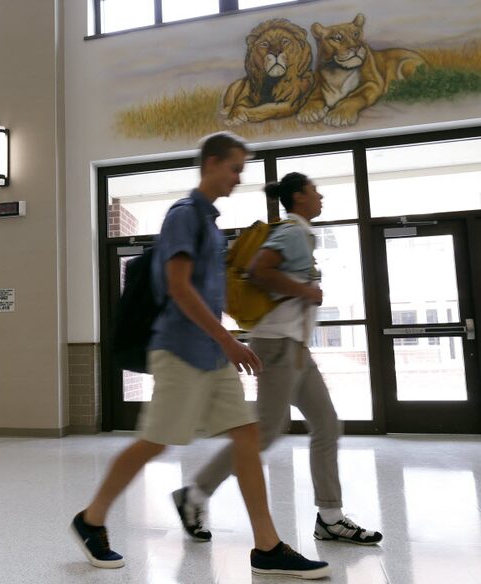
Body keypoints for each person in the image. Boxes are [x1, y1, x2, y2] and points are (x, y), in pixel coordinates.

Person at [70, 133, 330, 579]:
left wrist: (227, 338)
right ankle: (91, 519)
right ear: (210, 164)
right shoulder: (185, 216)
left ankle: (267, 546)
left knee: (247, 437)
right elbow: (178, 287)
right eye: (234, 168)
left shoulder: (209, 224)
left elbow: (210, 295)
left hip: (211, 352)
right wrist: (229, 340)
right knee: (153, 442)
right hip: (181, 351)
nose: (237, 178)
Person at [179, 172, 382, 545]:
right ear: (299, 197)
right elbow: (259, 270)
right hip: (276, 345)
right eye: (315, 191)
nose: (321, 197)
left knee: (326, 423)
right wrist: (307, 290)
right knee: (265, 432)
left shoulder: (300, 232)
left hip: (294, 347)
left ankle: (331, 517)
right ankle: (194, 494)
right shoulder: (292, 231)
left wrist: (304, 293)